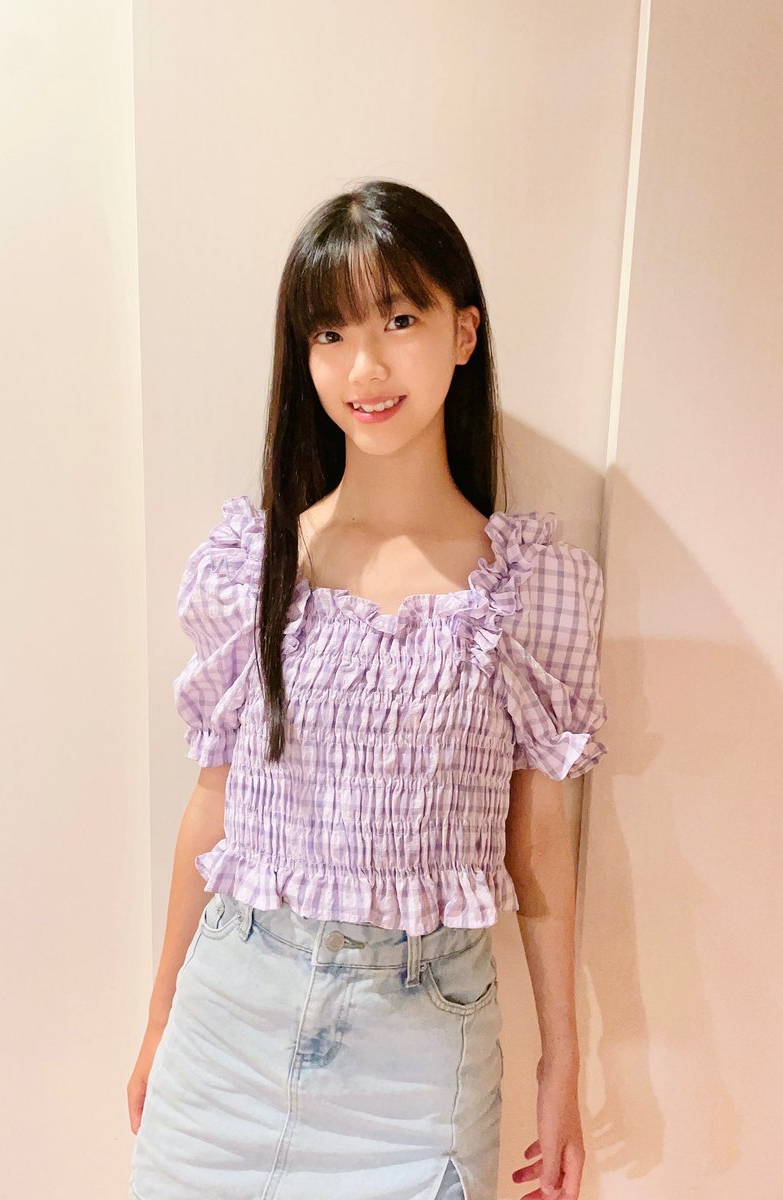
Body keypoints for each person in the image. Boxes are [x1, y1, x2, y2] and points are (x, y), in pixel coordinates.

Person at [127, 179, 608, 1200]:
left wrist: (561, 1063)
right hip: (228, 1028)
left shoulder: (529, 590)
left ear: (463, 331)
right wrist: (161, 1016)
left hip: (418, 1062)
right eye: (331, 333)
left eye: (398, 320)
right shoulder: (256, 565)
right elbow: (212, 807)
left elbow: (538, 845)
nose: (365, 367)